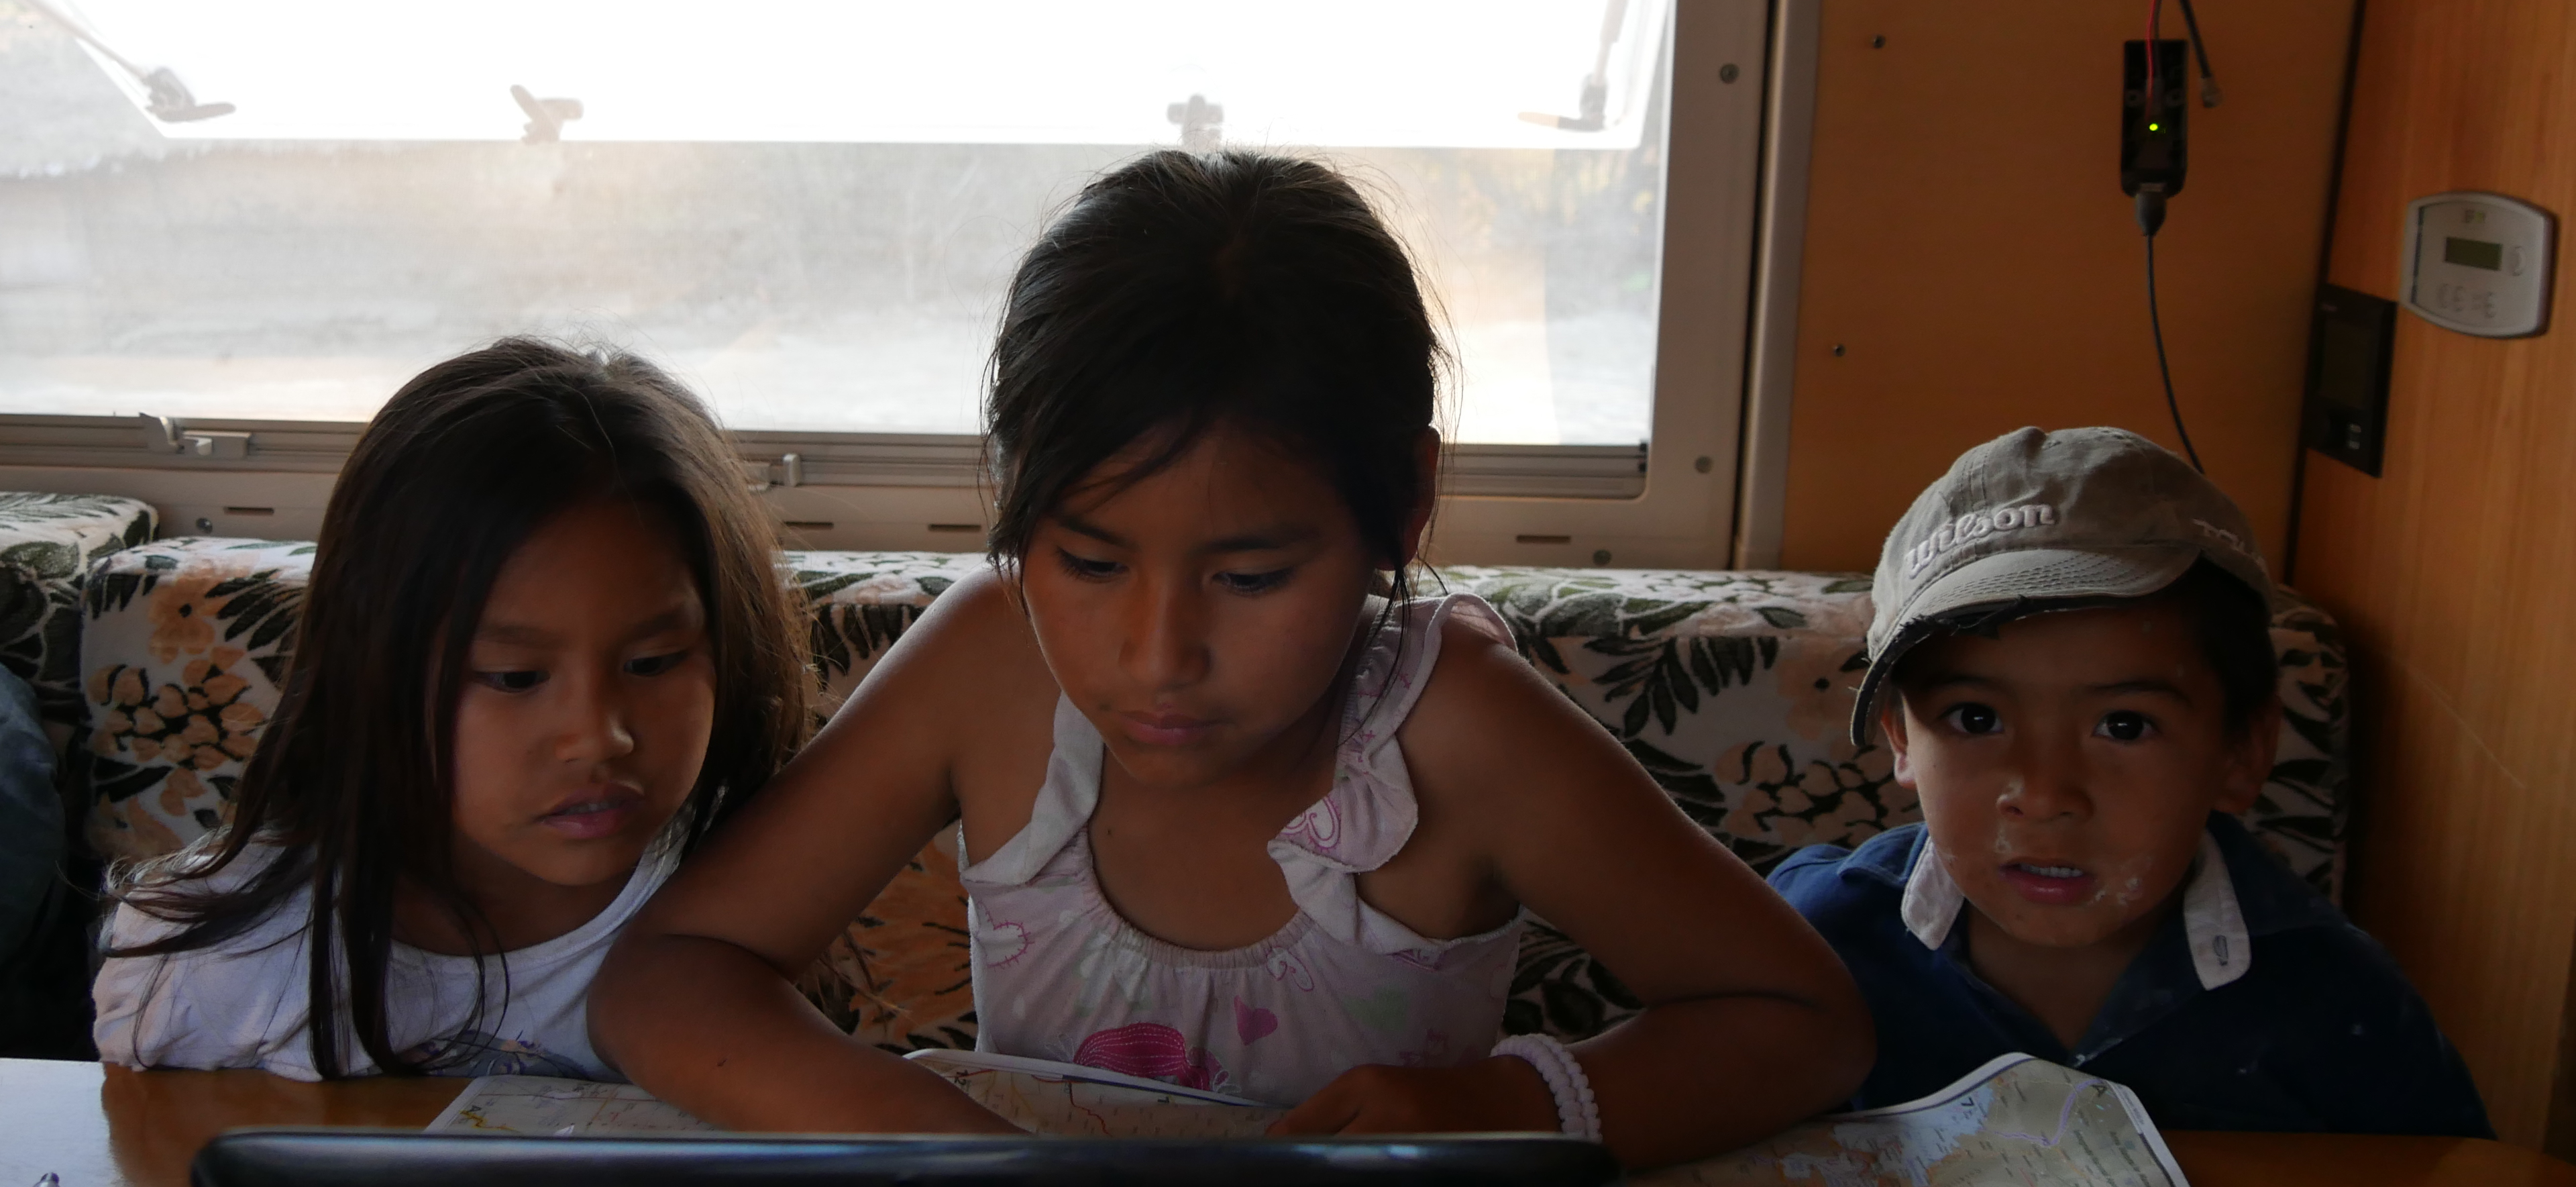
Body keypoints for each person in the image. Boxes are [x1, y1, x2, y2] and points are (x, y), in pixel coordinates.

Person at [592, 150, 1872, 1168]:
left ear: (1404, 505)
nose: (1159, 658)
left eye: (1252, 579)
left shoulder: (1460, 735)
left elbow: (1805, 1024)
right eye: (1089, 563)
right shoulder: (990, 666)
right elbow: (668, 979)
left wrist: (1505, 1106)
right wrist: (953, 1146)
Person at [93, 340, 806, 1080]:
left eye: (652, 663)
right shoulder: (212, 968)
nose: (599, 738)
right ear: (373, 669)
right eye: (515, 677)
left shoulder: (766, 885)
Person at [1772, 425, 2491, 1134]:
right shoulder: (1816, 944)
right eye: (1976, 718)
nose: (2044, 797)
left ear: (2242, 750)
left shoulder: (2339, 1004)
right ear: (1901, 738)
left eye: (2123, 726)